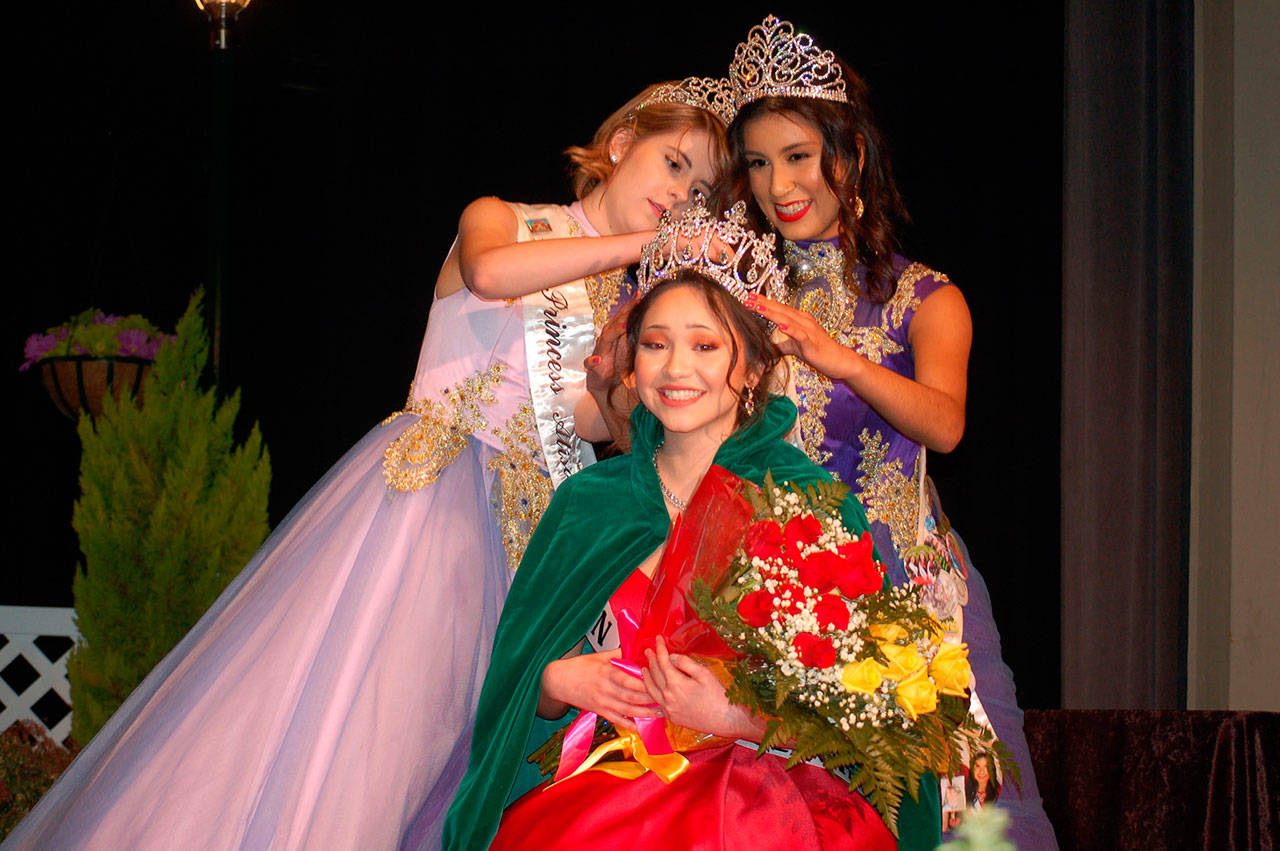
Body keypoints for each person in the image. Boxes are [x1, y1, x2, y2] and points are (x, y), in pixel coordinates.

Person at [3, 79, 731, 851]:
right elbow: (488, 274)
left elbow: (586, 424)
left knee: (459, 755)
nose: (682, 192)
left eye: (702, 188)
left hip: (528, 538)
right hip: (430, 502)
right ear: (622, 145)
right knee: (367, 734)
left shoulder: (629, 309)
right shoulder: (505, 218)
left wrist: (639, 388)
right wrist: (645, 252)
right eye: (674, 162)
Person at [444, 207, 942, 850]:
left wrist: (739, 715)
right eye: (656, 344)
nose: (677, 368)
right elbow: (516, 685)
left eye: (705, 345)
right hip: (606, 788)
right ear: (631, 367)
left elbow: (875, 710)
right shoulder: (587, 503)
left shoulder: (808, 500)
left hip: (764, 797)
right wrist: (554, 680)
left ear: (755, 369)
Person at [721, 15, 1057, 849]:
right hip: (766, 586)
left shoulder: (925, 298)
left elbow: (945, 423)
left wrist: (843, 360)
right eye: (760, 163)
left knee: (963, 815)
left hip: (904, 579)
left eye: (799, 156)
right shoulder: (731, 297)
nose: (779, 184)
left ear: (853, 156)